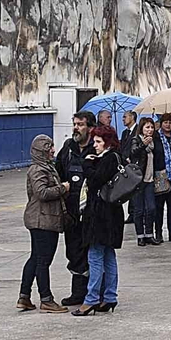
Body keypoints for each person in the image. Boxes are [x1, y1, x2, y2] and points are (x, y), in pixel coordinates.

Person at [74, 125, 124, 316]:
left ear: (107, 142)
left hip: (101, 215)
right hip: (110, 214)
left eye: (98, 142)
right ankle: (109, 297)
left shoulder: (109, 159)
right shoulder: (113, 157)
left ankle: (91, 299)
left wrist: (87, 164)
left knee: (95, 257)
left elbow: (95, 181)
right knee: (109, 256)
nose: (94, 145)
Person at [18, 134, 70, 313]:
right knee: (43, 260)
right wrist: (63, 188)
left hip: (44, 218)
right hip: (42, 220)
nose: (53, 150)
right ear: (42, 151)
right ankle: (46, 299)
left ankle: (24, 296)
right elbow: (42, 193)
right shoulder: (38, 170)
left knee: (35, 257)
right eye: (49, 147)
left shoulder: (46, 167)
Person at [56, 112, 95, 306]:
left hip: (92, 212)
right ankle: (78, 293)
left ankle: (95, 292)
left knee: (92, 253)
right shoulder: (68, 149)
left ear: (90, 127)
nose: (76, 128)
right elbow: (58, 173)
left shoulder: (97, 147)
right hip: (71, 212)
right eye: (75, 124)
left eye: (80, 124)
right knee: (73, 252)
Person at [128, 118, 162, 246]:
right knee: (139, 209)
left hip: (150, 179)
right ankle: (140, 236)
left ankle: (149, 234)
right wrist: (143, 145)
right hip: (138, 179)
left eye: (152, 127)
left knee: (151, 208)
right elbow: (133, 153)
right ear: (141, 128)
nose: (150, 130)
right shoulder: (136, 140)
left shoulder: (155, 141)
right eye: (147, 127)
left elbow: (159, 156)